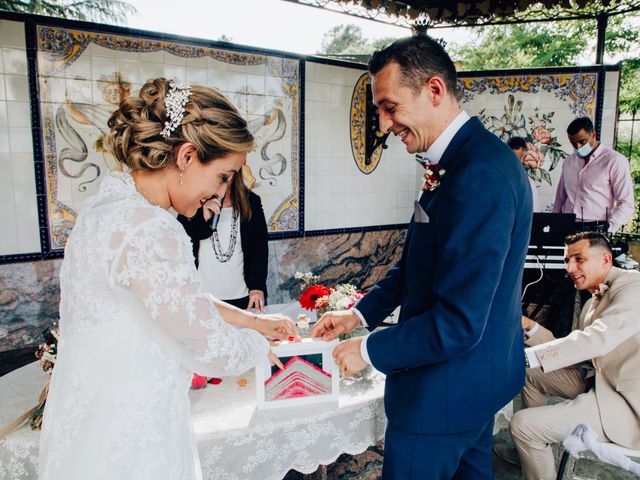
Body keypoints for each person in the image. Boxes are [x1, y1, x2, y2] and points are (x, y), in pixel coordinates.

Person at [38, 78, 298, 480]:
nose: (219, 193)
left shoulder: (107, 209)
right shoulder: (150, 228)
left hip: (92, 421)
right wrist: (256, 346)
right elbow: (206, 343)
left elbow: (172, 300)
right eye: (224, 176)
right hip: (131, 436)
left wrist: (252, 320)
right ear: (187, 156)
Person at [312, 34, 532, 479]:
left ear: (434, 90)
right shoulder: (458, 163)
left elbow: (458, 321)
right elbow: (417, 265)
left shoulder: (479, 176)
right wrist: (358, 316)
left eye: (389, 107)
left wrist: (369, 349)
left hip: (441, 396)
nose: (383, 123)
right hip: (473, 387)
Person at [496, 231, 640, 480]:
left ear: (606, 260)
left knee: (522, 424)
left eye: (578, 259)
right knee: (529, 373)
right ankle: (531, 453)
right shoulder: (592, 301)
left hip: (625, 405)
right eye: (566, 260)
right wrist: (527, 325)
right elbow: (573, 351)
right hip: (599, 383)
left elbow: (595, 340)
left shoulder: (634, 289)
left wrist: (528, 357)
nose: (570, 267)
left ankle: (530, 438)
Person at [177, 166, 269, 311]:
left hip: (242, 295)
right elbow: (181, 239)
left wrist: (257, 287)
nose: (222, 178)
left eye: (228, 174)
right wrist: (203, 216)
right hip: (202, 295)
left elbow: (260, 247)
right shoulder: (192, 201)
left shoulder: (251, 202)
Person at [552, 117, 634, 233]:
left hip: (595, 228)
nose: (578, 147)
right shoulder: (569, 162)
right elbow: (560, 197)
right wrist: (554, 221)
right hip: (566, 225)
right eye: (573, 143)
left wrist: (609, 227)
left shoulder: (614, 161)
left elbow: (627, 203)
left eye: (582, 142)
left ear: (593, 134)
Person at [508, 136, 540, 212]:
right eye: (510, 157)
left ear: (523, 158)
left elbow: (535, 212)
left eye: (517, 158)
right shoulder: (496, 178)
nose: (513, 162)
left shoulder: (529, 184)